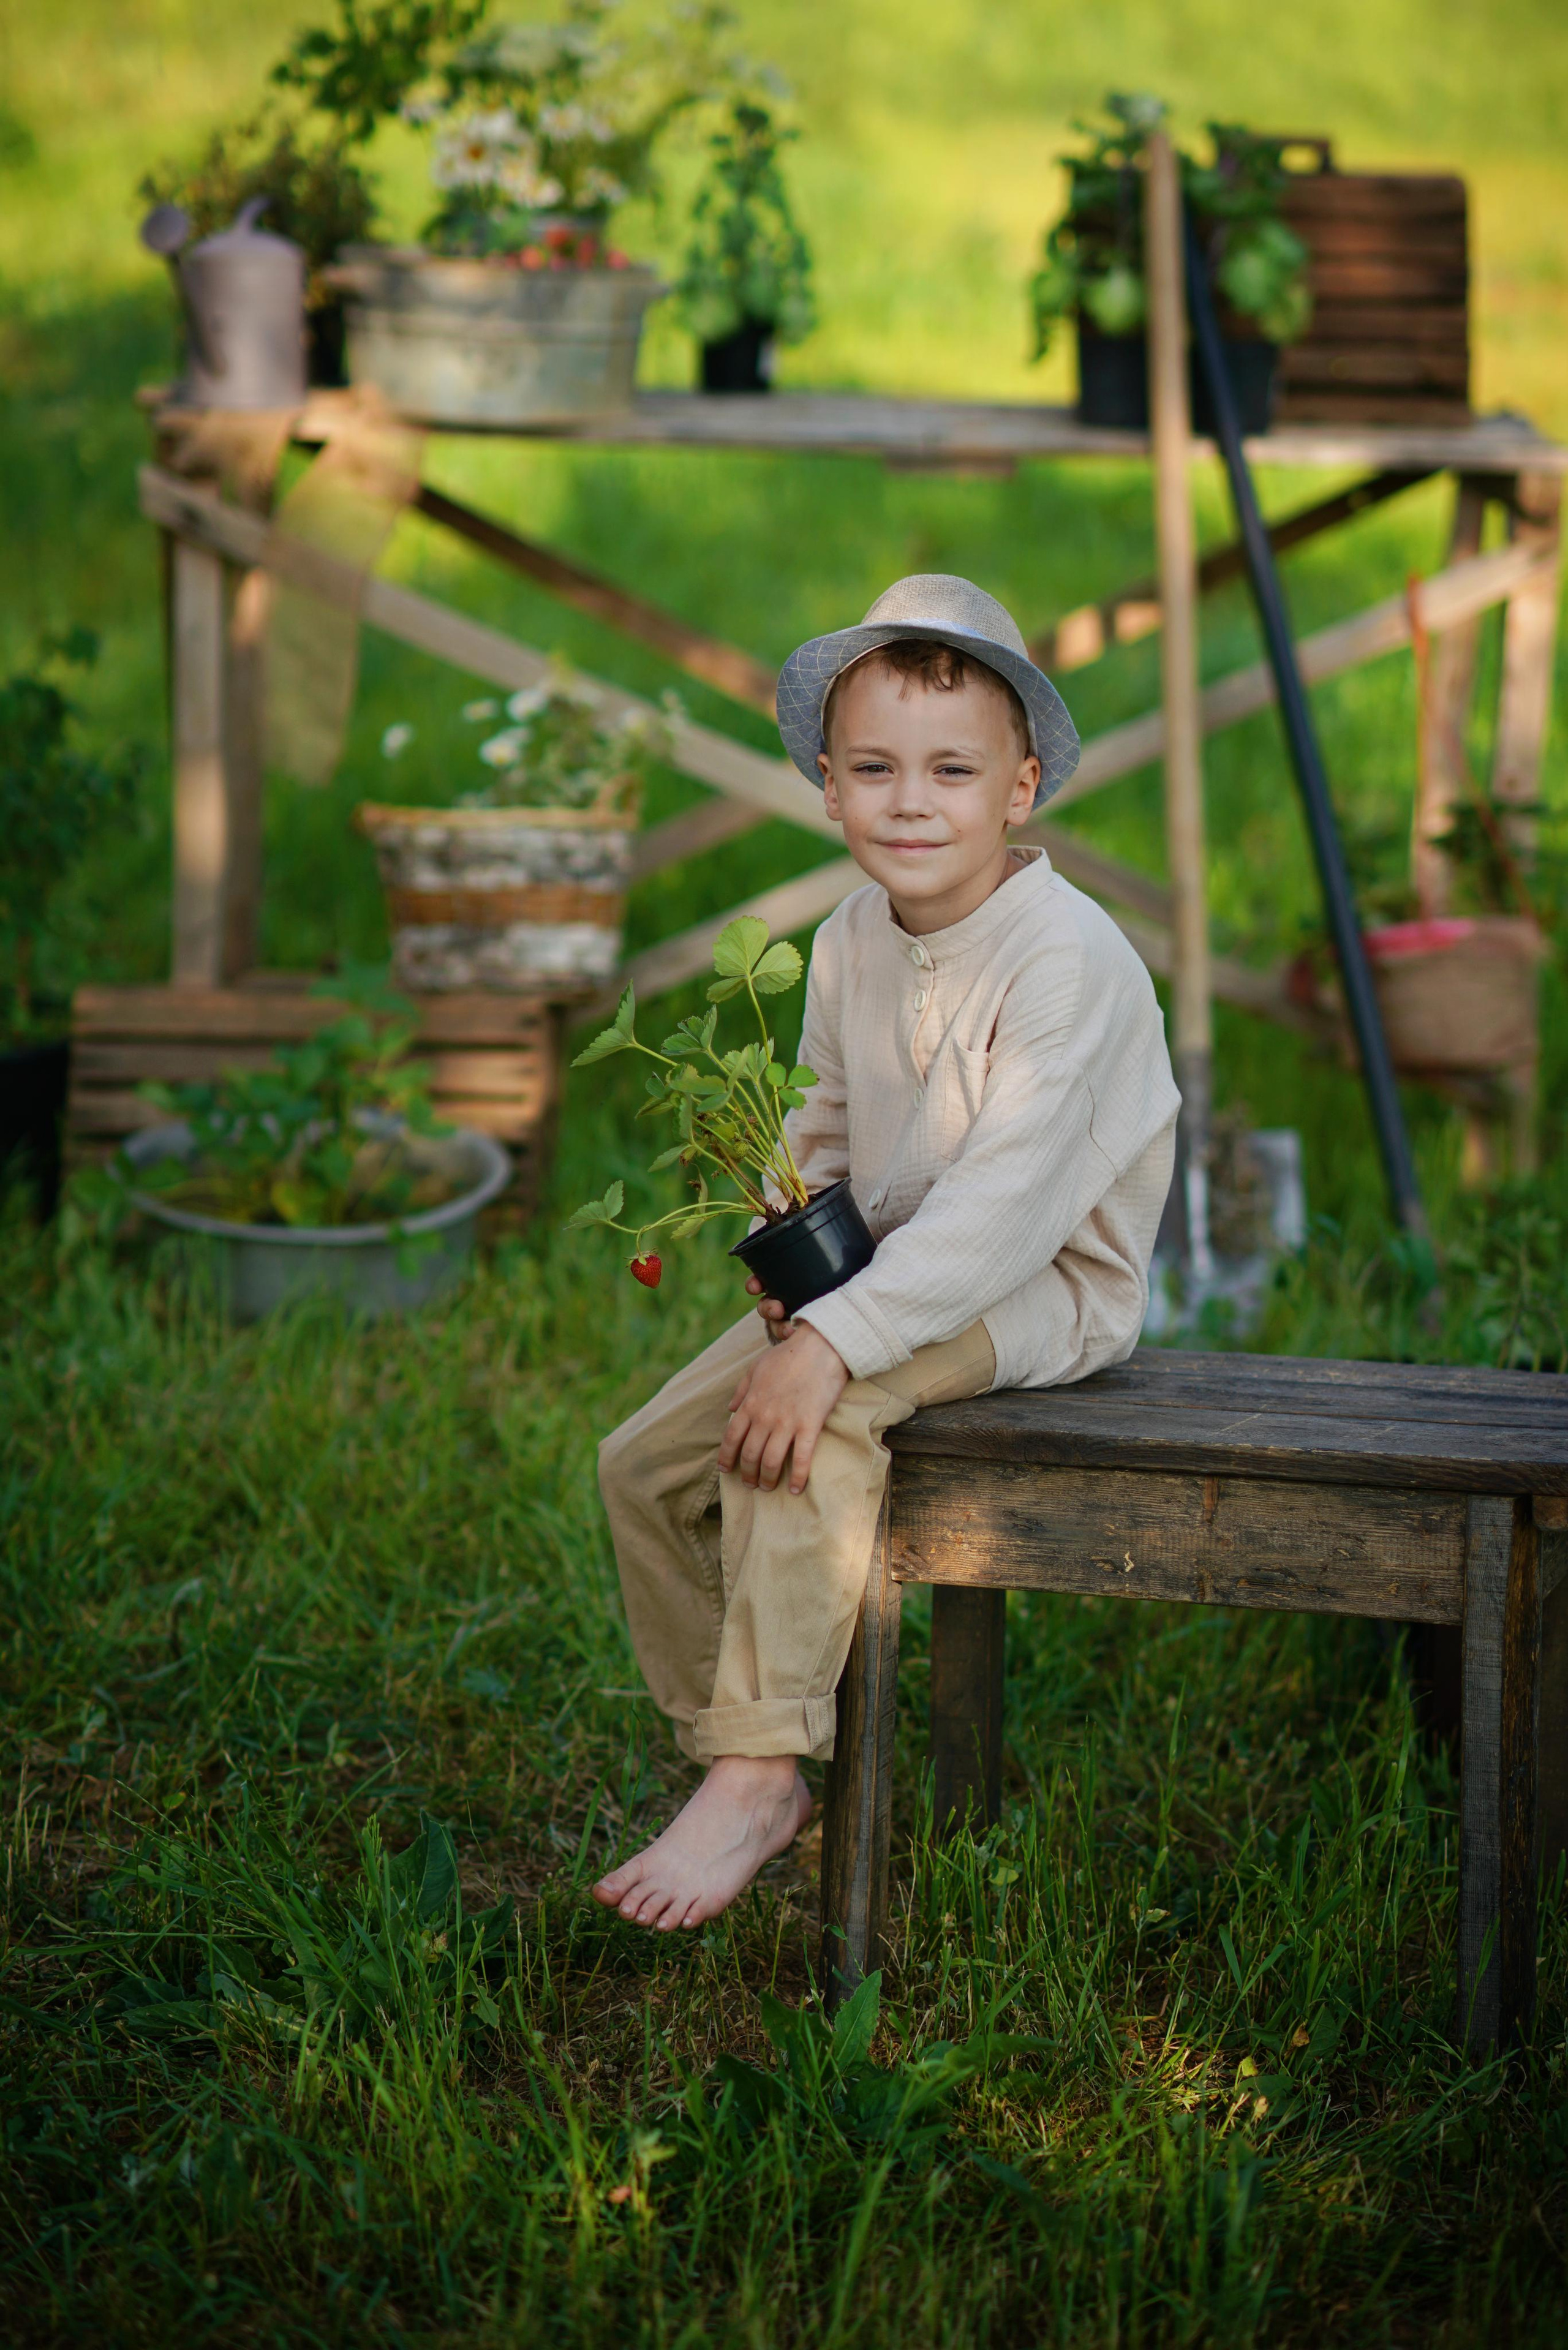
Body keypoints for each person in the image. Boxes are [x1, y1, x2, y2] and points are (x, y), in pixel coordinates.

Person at [592, 574, 1180, 1931]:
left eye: (951, 771)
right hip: (889, 1271)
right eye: (874, 767)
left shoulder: (1064, 962)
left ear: (1018, 790)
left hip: (1037, 1288)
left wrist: (828, 1349)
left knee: (821, 1409)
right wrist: (784, 1231)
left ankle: (754, 1769)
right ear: (826, 786)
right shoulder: (850, 936)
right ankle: (733, 1736)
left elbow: (998, 1218)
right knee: (643, 1463)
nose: (910, 801)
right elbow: (828, 1116)